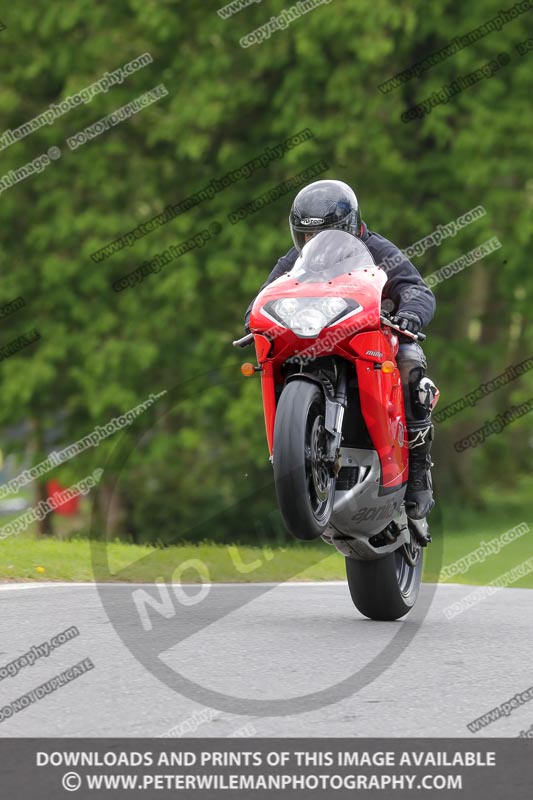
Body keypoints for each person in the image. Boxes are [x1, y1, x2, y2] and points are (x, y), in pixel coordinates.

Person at [244, 179, 438, 519]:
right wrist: (252, 317)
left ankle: (419, 474)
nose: (314, 243)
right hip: (313, 340)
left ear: (349, 227)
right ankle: (298, 455)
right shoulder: (295, 259)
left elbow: (417, 289)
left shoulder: (378, 250)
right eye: (306, 236)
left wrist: (409, 315)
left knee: (409, 364)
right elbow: (266, 293)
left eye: (324, 234)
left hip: (373, 339)